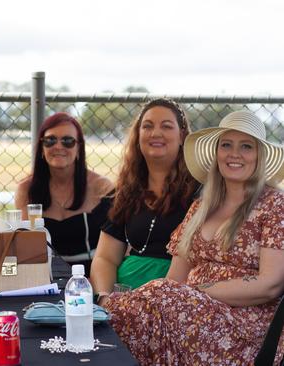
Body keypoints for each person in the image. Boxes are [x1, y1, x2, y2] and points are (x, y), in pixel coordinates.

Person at [105, 110, 284, 365]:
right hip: (189, 313)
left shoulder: (274, 205)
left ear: (259, 156)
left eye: (246, 146)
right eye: (226, 145)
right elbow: (174, 279)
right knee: (138, 315)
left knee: (131, 310)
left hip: (243, 328)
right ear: (217, 153)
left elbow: (270, 285)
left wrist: (195, 294)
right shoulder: (201, 207)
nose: (235, 154)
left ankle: (94, 317)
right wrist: (178, 298)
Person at [90, 98, 199, 296]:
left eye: (166, 126)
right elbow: (105, 258)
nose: (156, 133)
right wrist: (105, 299)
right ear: (138, 135)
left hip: (174, 297)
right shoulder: (127, 191)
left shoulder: (200, 190)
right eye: (147, 126)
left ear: (182, 135)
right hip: (124, 295)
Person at [14, 112, 114, 274]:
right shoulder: (26, 190)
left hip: (91, 275)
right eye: (50, 140)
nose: (58, 146)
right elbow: (24, 247)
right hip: (43, 276)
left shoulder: (101, 187)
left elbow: (118, 246)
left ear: (79, 147)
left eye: (68, 141)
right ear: (41, 147)